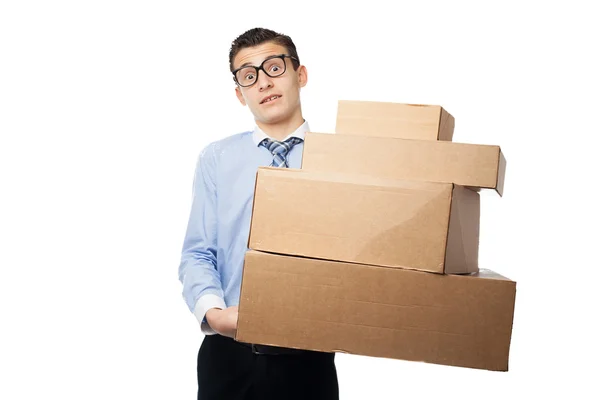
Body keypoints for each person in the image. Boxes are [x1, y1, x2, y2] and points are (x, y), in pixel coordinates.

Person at [178, 27, 339, 400]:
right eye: (249, 76)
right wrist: (214, 314)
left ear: (301, 75)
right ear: (240, 93)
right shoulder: (217, 159)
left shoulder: (339, 160)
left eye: (274, 67)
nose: (263, 82)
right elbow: (198, 252)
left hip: (309, 360)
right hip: (229, 356)